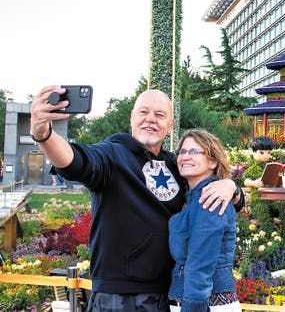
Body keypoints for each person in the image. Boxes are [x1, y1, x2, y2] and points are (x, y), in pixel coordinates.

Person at [30, 85, 245, 312]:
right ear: (132, 118)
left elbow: (229, 203)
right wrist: (44, 134)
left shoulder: (177, 164)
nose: (150, 119)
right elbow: (76, 161)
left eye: (159, 114)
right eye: (143, 112)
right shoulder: (111, 155)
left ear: (170, 126)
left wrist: (231, 186)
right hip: (121, 296)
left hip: (171, 294)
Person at [169, 129, 240, 312]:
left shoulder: (209, 199)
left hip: (205, 304)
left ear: (212, 161)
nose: (185, 157)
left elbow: (200, 265)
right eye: (182, 152)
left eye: (194, 152)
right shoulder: (195, 199)